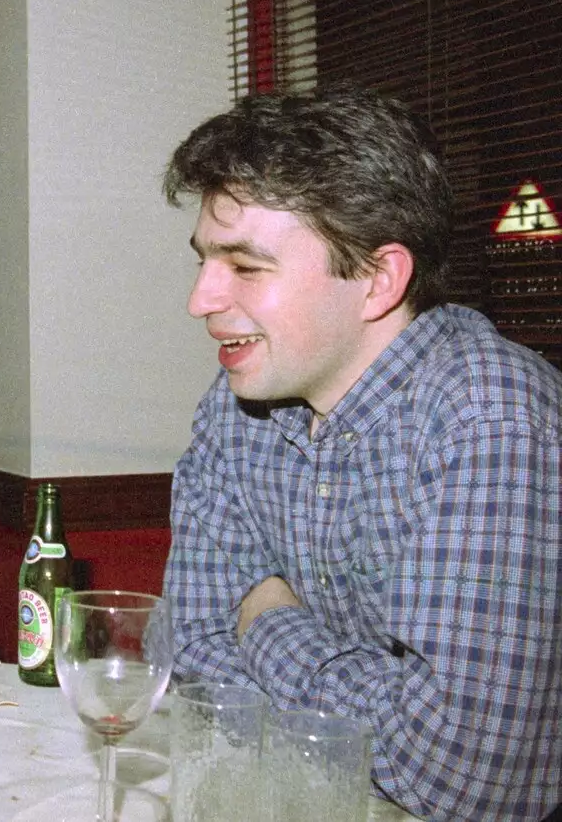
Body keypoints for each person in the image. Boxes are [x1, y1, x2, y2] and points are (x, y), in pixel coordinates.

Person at [161, 87, 562, 821]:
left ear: (379, 280)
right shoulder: (236, 405)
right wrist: (376, 703)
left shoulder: (489, 420)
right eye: (204, 261)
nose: (200, 298)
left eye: (245, 266)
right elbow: (197, 667)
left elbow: (459, 778)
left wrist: (265, 617)